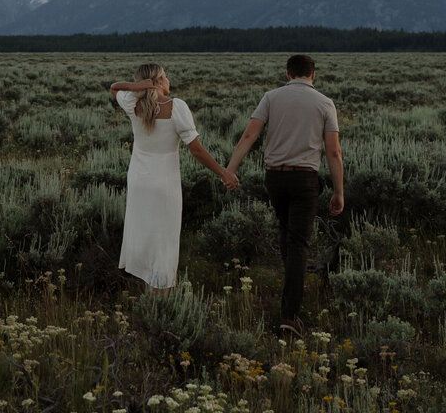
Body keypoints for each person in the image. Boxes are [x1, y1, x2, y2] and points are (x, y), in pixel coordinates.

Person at [225, 54, 343, 334]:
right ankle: (289, 315)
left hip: (274, 177)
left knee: (286, 233)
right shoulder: (325, 103)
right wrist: (339, 192)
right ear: (313, 75)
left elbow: (249, 135)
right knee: (299, 243)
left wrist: (230, 169)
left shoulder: (271, 97)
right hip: (305, 179)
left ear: (288, 74)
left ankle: (289, 292)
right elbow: (334, 152)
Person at [110, 63, 238, 291]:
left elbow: (114, 88)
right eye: (165, 76)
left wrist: (135, 87)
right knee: (164, 240)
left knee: (145, 234)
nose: (169, 80)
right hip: (164, 182)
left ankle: (149, 290)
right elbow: (196, 150)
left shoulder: (132, 104)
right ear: (158, 82)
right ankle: (163, 295)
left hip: (139, 180)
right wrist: (224, 173)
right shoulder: (176, 107)